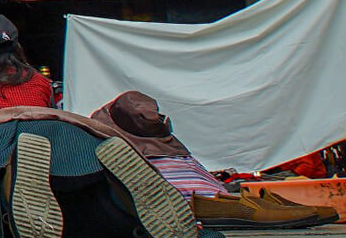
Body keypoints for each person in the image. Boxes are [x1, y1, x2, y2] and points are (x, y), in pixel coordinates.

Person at [0, 105, 200, 238]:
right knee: (96, 203)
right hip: (76, 138)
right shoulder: (39, 81)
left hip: (0, 138)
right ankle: (124, 203)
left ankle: (8, 182)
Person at [89, 91, 336, 230]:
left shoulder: (123, 152)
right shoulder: (175, 150)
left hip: (170, 197)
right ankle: (237, 205)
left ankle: (217, 207)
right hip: (195, 190)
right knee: (220, 191)